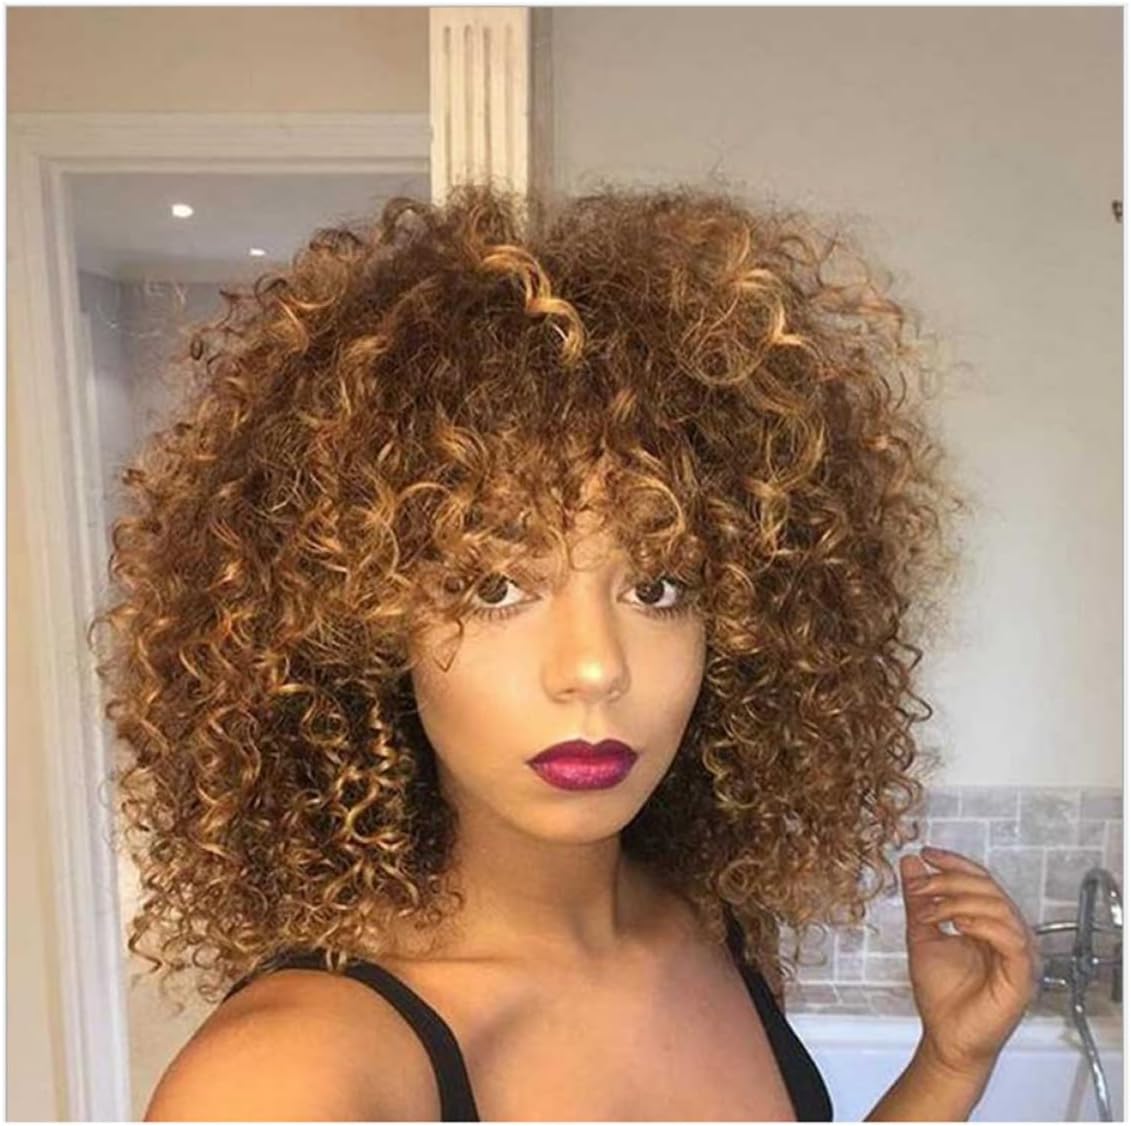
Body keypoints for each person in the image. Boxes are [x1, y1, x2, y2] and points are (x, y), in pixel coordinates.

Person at [90, 181, 1039, 1121]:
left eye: (656, 587)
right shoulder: (292, 1077)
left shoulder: (709, 929)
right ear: (362, 623)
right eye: (495, 588)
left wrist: (948, 1064)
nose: (594, 667)